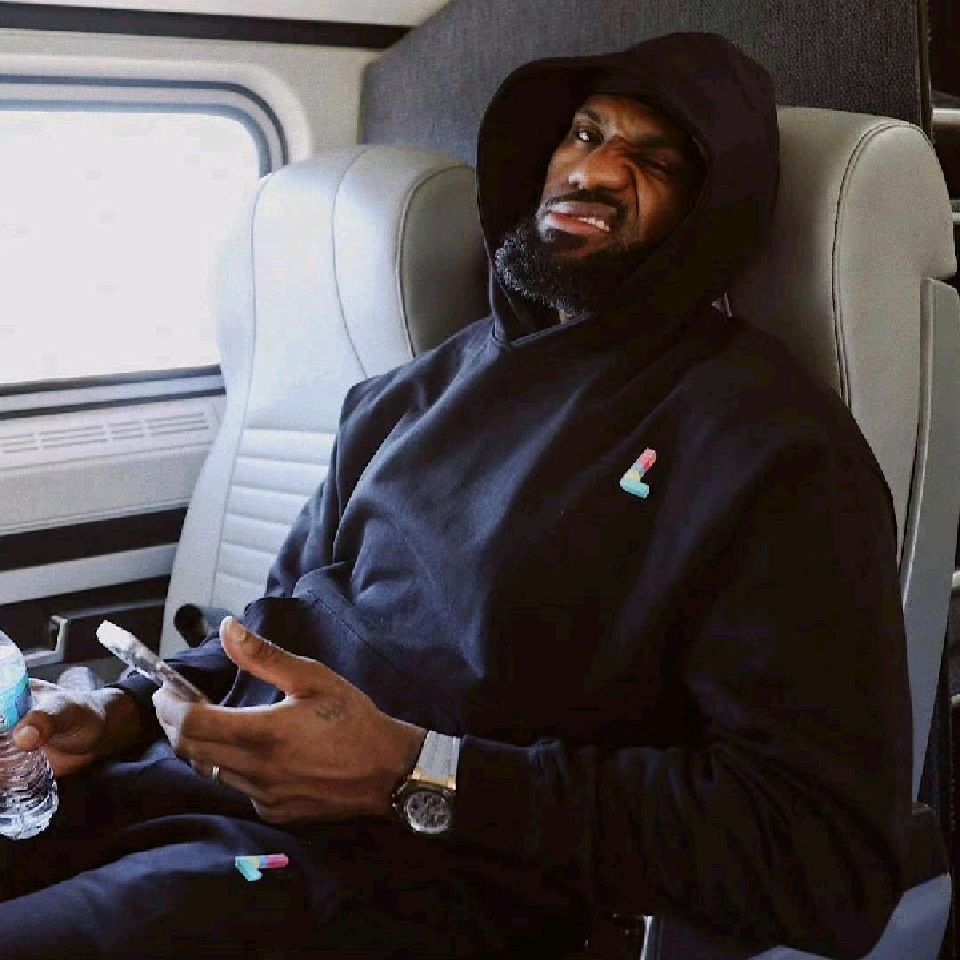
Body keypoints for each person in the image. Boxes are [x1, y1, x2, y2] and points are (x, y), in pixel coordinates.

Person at [0, 31, 912, 960]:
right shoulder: (407, 395)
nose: (594, 171)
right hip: (193, 792)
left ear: (711, 214)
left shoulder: (767, 445)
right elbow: (278, 630)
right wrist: (121, 710)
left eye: (656, 161)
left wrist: (417, 772)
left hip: (414, 877)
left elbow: (825, 859)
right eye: (586, 133)